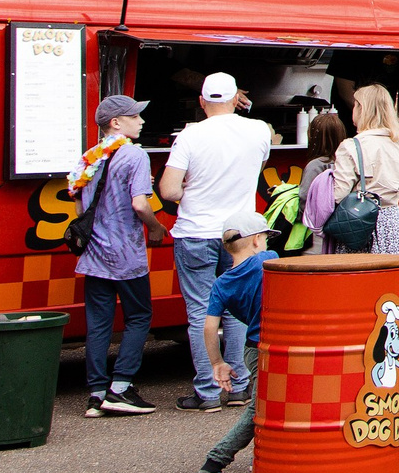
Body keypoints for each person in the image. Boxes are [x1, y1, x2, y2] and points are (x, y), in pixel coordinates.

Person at [159, 71, 273, 411]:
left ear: (201, 101)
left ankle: (207, 391)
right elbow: (259, 164)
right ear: (236, 98)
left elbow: (168, 189)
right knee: (238, 310)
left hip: (196, 231)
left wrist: (188, 194)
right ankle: (239, 385)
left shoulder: (190, 136)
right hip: (240, 233)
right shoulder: (258, 130)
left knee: (200, 312)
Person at [75, 93, 160, 418]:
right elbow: (140, 203)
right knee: (139, 316)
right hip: (125, 253)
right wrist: (153, 226)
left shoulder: (89, 157)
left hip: (95, 252)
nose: (141, 121)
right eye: (135, 116)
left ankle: (96, 394)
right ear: (116, 123)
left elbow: (81, 206)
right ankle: (121, 387)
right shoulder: (134, 155)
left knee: (98, 323)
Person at [185, 209, 277, 473]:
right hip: (276, 344)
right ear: (256, 240)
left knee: (269, 404)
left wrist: (217, 363)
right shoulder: (267, 260)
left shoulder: (221, 283)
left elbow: (210, 327)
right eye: (263, 237)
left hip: (251, 349)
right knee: (258, 409)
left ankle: (270, 459)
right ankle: (210, 469)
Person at [333, 84, 399, 256]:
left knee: (360, 279)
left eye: (355, 104)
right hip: (392, 224)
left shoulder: (351, 146)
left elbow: (338, 195)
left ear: (362, 109)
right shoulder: (395, 146)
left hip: (361, 226)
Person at [298, 111, 348, 255]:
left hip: (315, 237)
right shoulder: (346, 163)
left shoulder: (315, 165)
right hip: (339, 233)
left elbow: (304, 198)